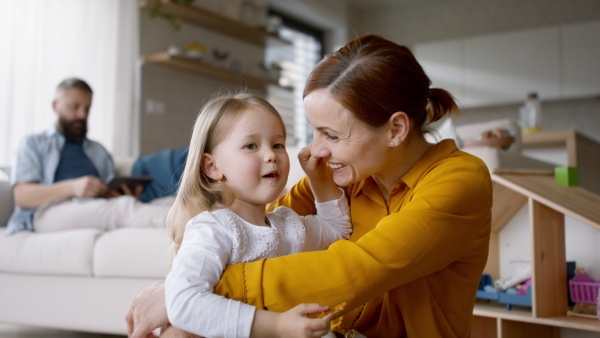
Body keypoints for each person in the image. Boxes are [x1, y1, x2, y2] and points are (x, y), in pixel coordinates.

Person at [126, 34, 493, 337]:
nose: (315, 150)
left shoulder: (460, 180)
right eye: (313, 131)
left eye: (331, 134)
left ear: (395, 130)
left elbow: (358, 269)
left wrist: (185, 294)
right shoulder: (338, 176)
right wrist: (186, 289)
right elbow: (256, 235)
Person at [163, 92, 352, 337]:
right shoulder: (213, 228)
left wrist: (318, 177)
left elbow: (337, 231)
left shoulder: (288, 224)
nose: (271, 155)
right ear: (213, 167)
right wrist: (277, 325)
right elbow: (184, 303)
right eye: (251, 146)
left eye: (278, 144)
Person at [5, 78, 171, 235]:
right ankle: (184, 225)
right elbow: (22, 197)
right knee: (122, 208)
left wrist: (122, 194)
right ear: (55, 106)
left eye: (87, 108)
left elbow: (107, 191)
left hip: (94, 207)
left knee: (167, 202)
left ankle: (187, 222)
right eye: (75, 107)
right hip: (47, 211)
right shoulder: (33, 143)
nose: (82, 115)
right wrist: (73, 187)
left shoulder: (98, 150)